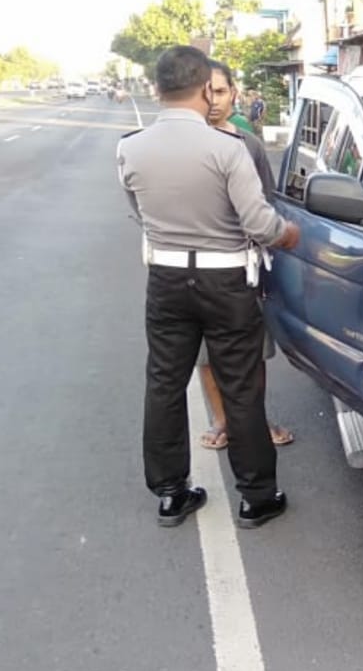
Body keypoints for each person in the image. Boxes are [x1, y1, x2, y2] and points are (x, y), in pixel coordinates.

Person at [117, 45, 301, 529]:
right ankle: (257, 498)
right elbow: (260, 223)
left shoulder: (129, 147)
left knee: (164, 383)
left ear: (156, 91)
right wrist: (288, 234)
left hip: (166, 280)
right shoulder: (228, 149)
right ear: (205, 89)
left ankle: (171, 493)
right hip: (226, 281)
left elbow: (139, 213)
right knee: (240, 388)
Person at [198, 58, 294, 450]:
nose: (213, 101)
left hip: (244, 266)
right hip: (194, 270)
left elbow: (267, 205)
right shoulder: (181, 145)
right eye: (205, 93)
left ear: (234, 94)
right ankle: (222, 422)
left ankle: (255, 421)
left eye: (220, 92)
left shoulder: (248, 144)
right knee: (206, 352)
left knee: (252, 352)